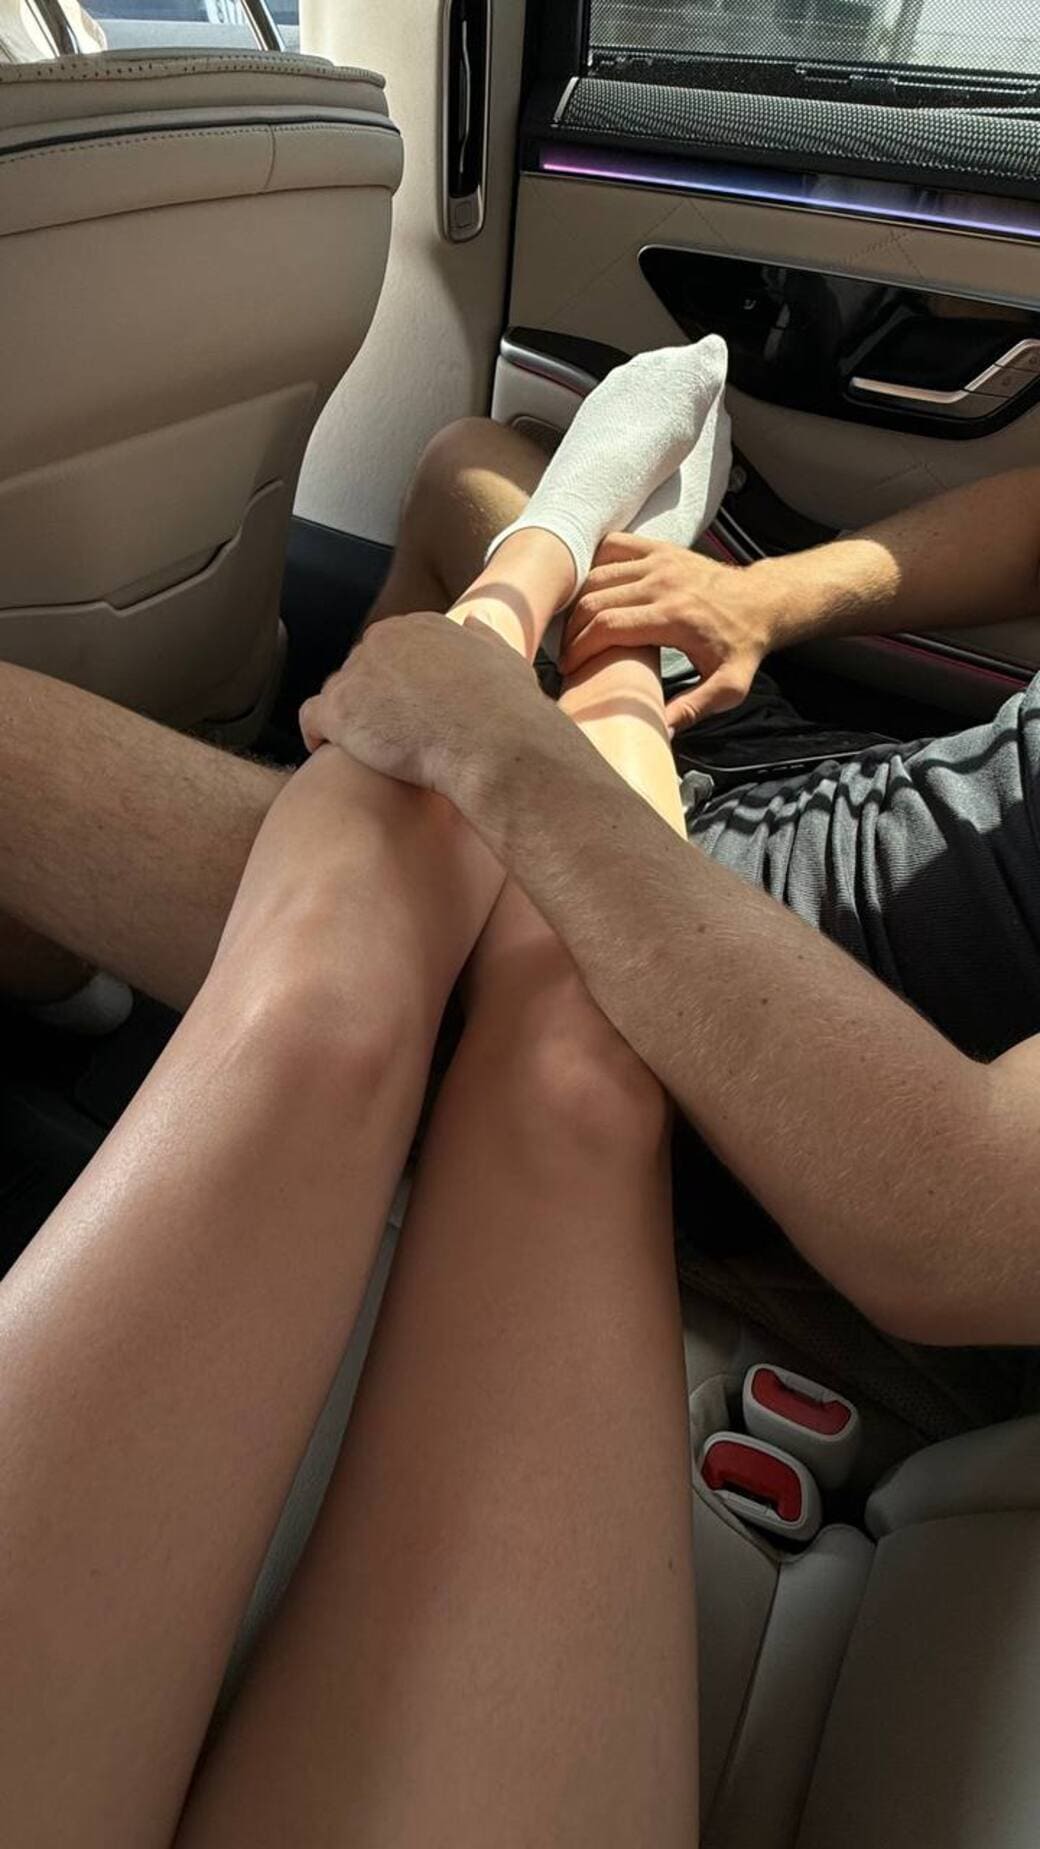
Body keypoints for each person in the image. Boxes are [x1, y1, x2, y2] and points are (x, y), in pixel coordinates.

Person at [1, 356, 1039, 1840]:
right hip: (833, 787)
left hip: (808, 1018)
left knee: (354, 992)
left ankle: (512, 631)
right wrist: (765, 598)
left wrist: (502, 745)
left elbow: (967, 1210)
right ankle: (562, 648)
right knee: (462, 463)